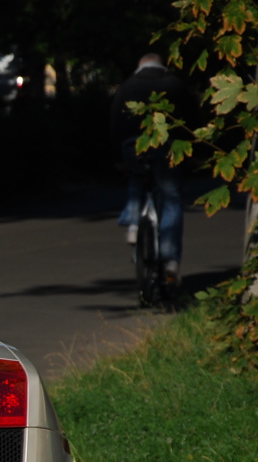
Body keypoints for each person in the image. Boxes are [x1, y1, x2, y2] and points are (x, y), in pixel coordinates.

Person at [110, 52, 199, 287]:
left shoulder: (127, 86)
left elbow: (114, 122)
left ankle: (133, 222)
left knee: (137, 176)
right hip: (165, 147)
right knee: (171, 198)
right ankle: (170, 261)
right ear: (162, 66)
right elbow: (192, 119)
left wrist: (116, 156)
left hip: (132, 146)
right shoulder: (174, 84)